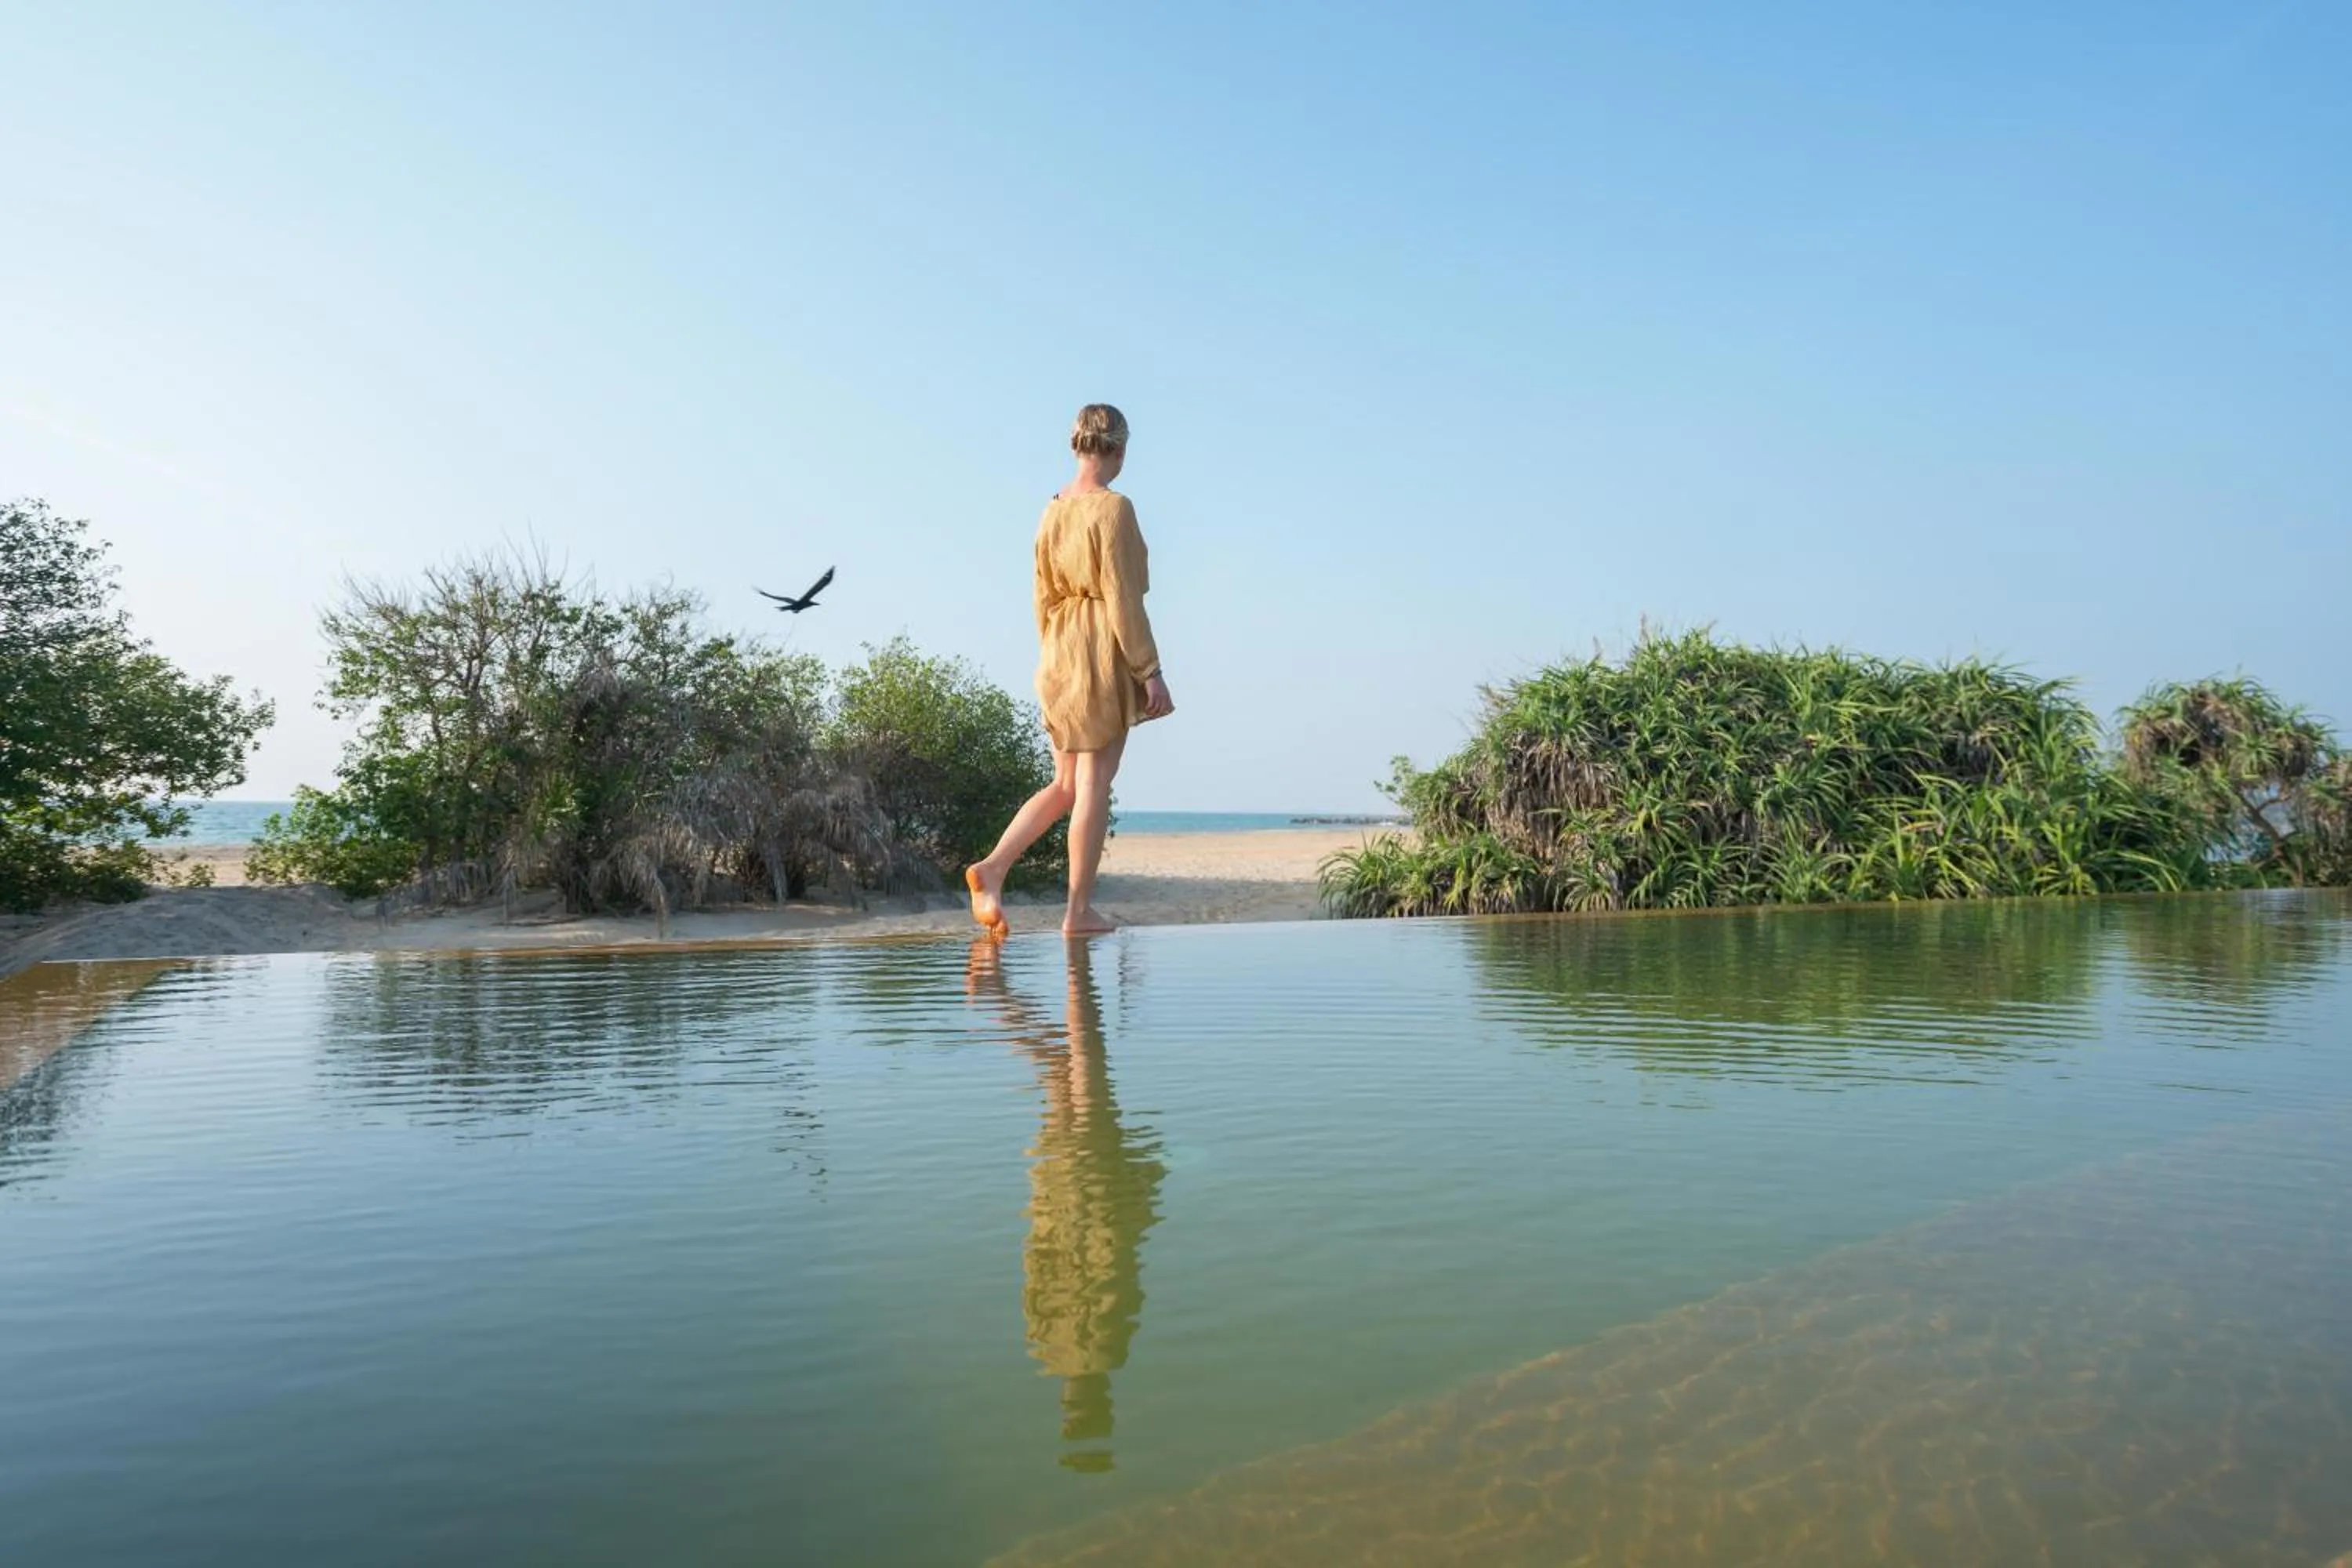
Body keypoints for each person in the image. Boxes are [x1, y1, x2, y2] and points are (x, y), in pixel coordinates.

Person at [966, 404, 1175, 938]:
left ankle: (992, 868)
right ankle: (1078, 914)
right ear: (1121, 450)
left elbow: (1040, 594)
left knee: (1064, 784)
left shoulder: (1052, 509)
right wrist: (1149, 669)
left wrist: (1054, 657)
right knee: (1093, 785)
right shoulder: (1115, 509)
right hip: (1100, 644)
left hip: (1057, 646)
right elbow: (1124, 598)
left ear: (1075, 446)